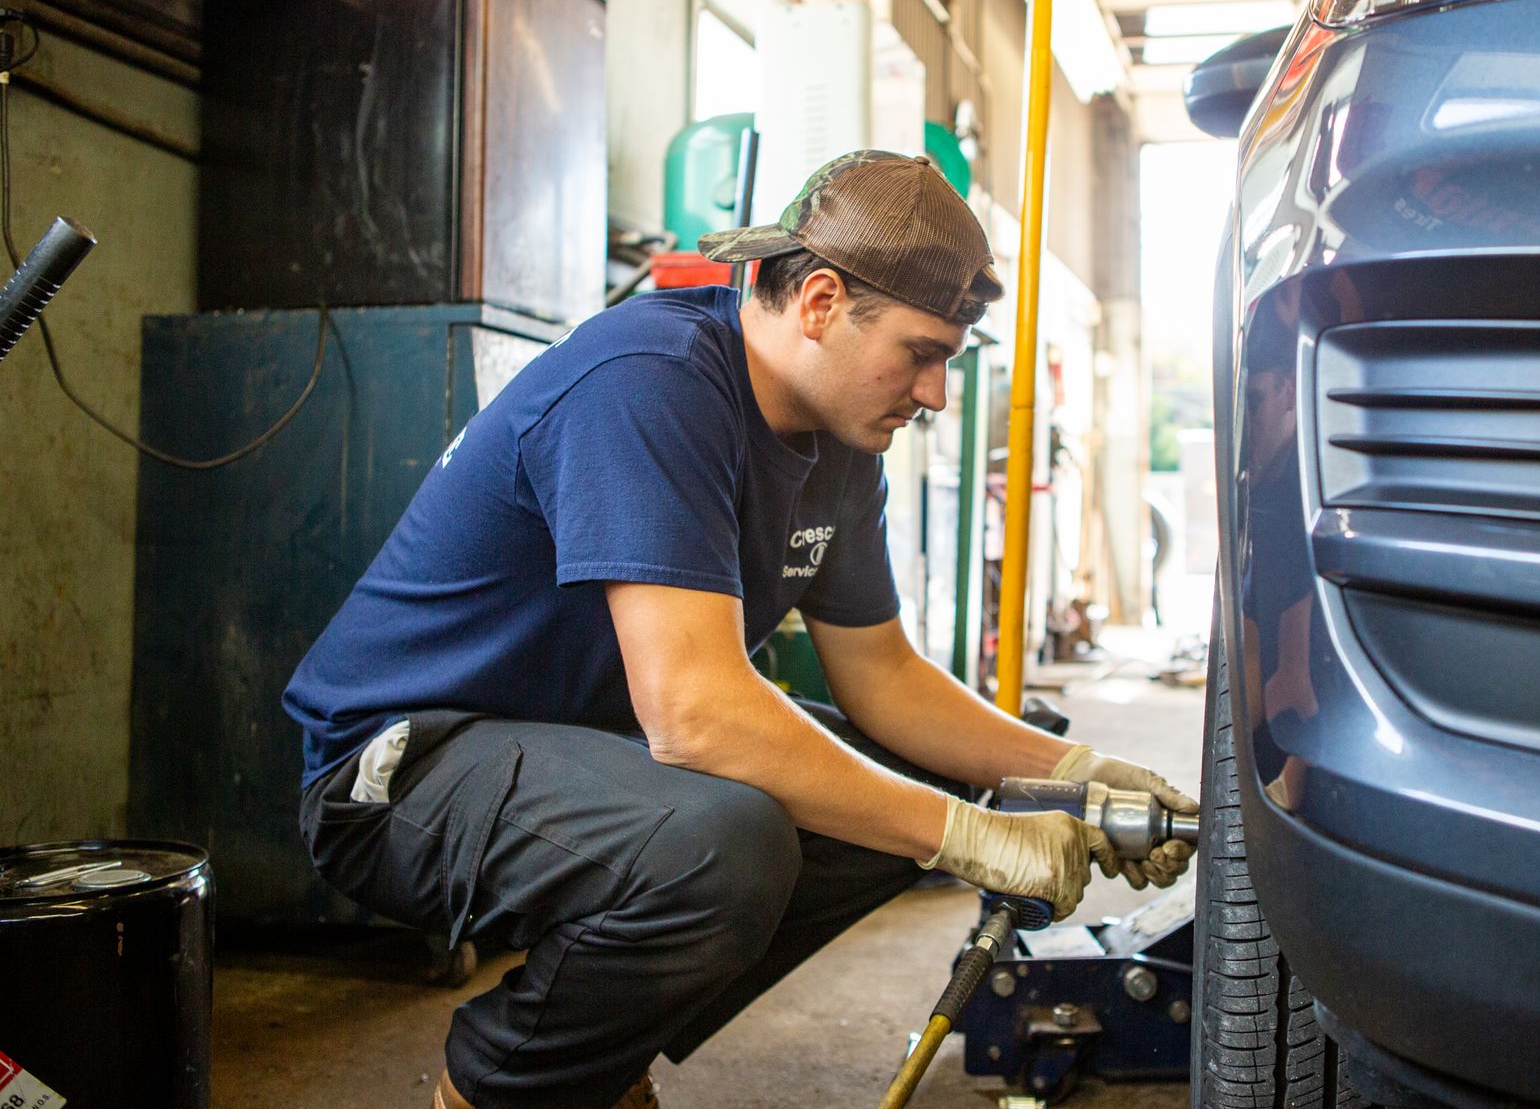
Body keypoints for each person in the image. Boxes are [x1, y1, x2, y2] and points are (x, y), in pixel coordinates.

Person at [282, 149, 1198, 1109]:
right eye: (920, 353)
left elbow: (883, 677)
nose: (932, 393)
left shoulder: (841, 442)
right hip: (402, 769)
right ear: (819, 303)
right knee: (728, 843)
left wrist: (1071, 775)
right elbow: (694, 715)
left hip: (583, 748)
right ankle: (506, 1083)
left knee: (916, 782)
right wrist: (961, 838)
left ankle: (595, 1048)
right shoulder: (653, 383)